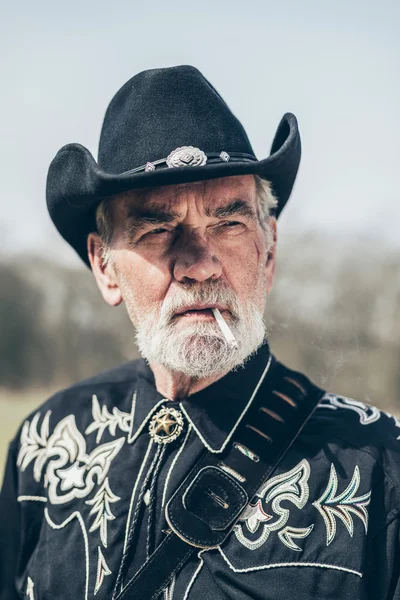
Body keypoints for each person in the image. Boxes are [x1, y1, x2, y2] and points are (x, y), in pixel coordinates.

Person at [1, 65, 399, 600]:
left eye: (229, 223)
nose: (200, 264)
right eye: (158, 228)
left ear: (270, 250)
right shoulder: (44, 443)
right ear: (104, 267)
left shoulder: (381, 469)